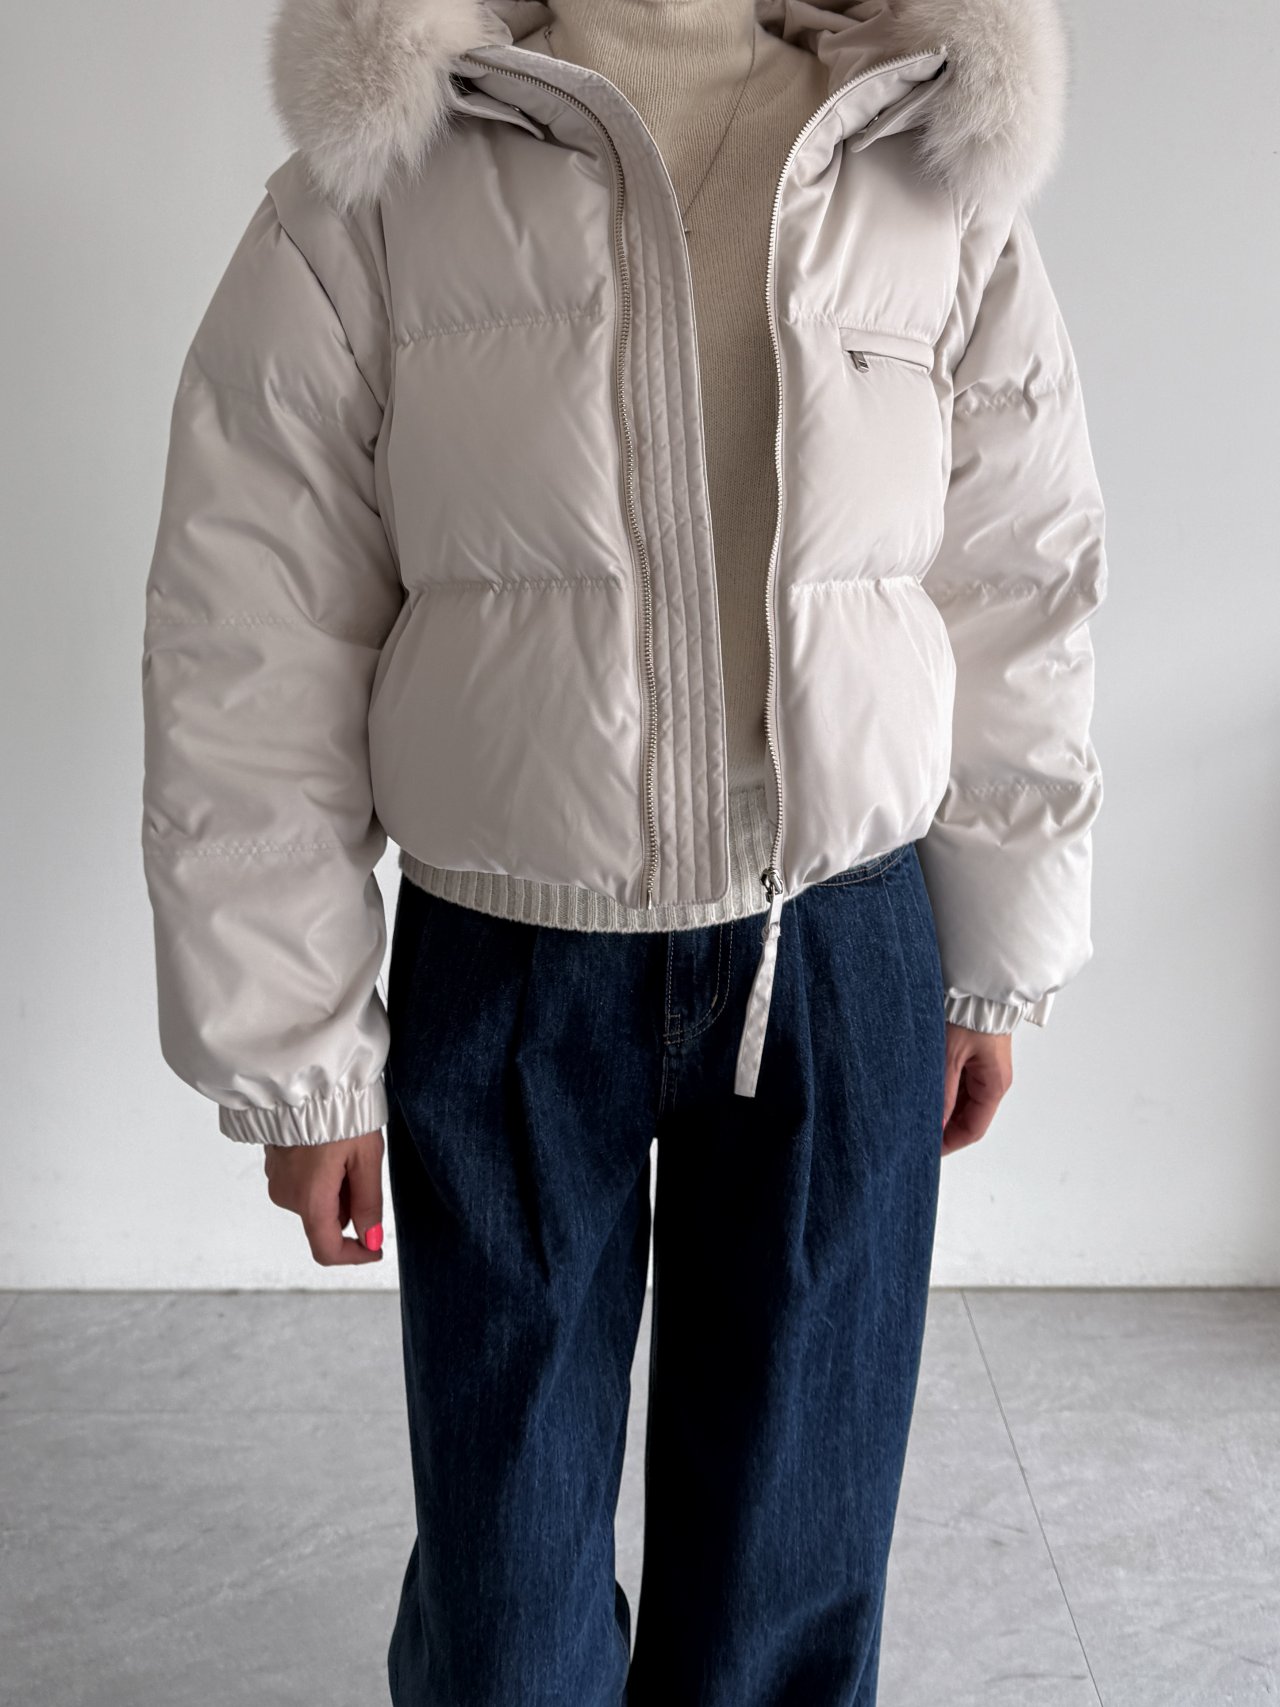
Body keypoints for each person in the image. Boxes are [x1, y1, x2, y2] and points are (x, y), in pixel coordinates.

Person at [139, 0, 1107, 1699]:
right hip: (509, 960)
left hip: (838, 950)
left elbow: (1019, 582)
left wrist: (998, 956)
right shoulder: (385, 176)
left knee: (790, 1568)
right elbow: (253, 630)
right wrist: (298, 1060)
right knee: (508, 1608)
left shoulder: (922, 153)